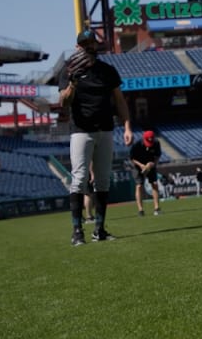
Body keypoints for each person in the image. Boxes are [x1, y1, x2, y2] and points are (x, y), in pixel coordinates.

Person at [58, 28, 134, 247]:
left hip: (106, 129)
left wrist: (127, 126)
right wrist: (72, 82)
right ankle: (77, 231)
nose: (90, 47)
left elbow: (119, 101)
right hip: (81, 130)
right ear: (78, 47)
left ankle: (99, 229)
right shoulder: (69, 70)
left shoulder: (107, 70)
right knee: (80, 178)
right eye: (85, 43)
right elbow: (63, 103)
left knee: (102, 180)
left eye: (92, 43)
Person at [131, 130, 162, 216]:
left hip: (150, 165)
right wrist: (141, 165)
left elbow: (158, 155)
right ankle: (140, 210)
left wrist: (153, 164)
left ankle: (157, 208)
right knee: (139, 185)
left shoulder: (156, 143)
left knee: (154, 183)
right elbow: (132, 158)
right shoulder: (137, 145)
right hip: (138, 166)